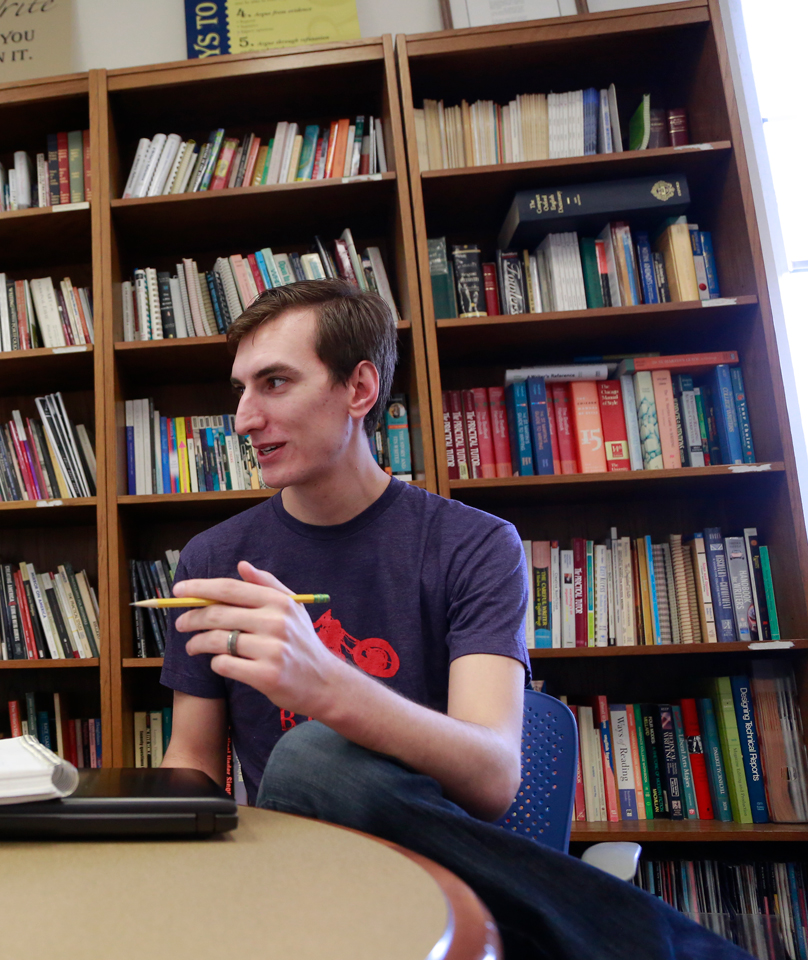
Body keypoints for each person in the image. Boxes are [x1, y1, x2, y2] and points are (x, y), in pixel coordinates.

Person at [159, 279, 750, 960]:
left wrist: (325, 686)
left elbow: (495, 778)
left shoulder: (472, 545)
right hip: (289, 882)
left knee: (315, 754)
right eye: (240, 389)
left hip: (434, 875)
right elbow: (193, 762)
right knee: (309, 768)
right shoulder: (215, 557)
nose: (243, 418)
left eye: (275, 383)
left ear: (359, 389)